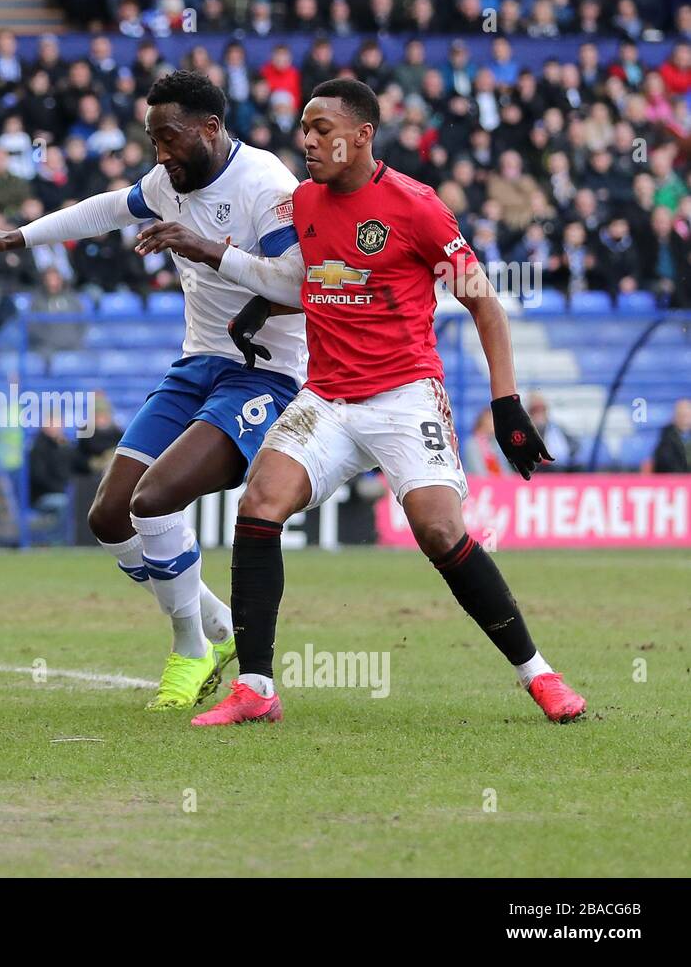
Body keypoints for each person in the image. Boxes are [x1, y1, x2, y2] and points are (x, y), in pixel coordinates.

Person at [193, 79, 585, 728]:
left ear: (362, 134)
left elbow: (483, 301)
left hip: (405, 395)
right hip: (327, 397)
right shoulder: (305, 204)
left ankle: (539, 673)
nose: (308, 140)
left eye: (322, 129)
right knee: (260, 502)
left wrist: (506, 401)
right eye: (304, 128)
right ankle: (256, 687)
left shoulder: (417, 208)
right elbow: (316, 278)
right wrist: (260, 305)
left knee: (439, 530)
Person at [0, 70, 307, 710]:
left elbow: (302, 285)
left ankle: (191, 645)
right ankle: (217, 626)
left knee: (155, 499)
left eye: (169, 137)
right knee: (110, 515)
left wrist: (207, 248)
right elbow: (109, 208)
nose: (159, 153)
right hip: (197, 366)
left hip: (265, 372)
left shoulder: (268, 186)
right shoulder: (167, 183)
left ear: (211, 129)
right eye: (151, 138)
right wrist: (18, 237)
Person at [652, 398, 691, 473]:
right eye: (681, 415)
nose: (684, 419)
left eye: (687, 415)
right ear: (675, 417)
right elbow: (665, 460)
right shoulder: (667, 434)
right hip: (675, 478)